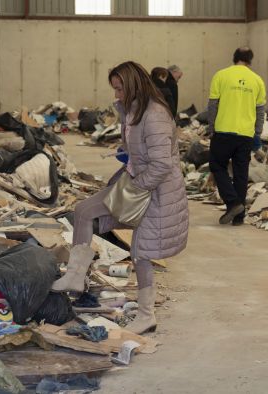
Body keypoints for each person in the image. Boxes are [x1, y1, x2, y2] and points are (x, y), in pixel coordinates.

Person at [51, 61, 189, 334]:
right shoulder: (133, 110)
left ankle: (146, 314)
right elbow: (141, 149)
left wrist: (136, 188)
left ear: (133, 84)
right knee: (84, 211)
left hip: (158, 192)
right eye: (114, 89)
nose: (115, 94)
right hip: (138, 183)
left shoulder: (155, 114)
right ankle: (75, 277)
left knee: (142, 253)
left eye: (118, 89)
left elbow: (162, 164)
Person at [207, 47, 266, 225]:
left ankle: (233, 203)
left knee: (217, 166)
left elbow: (213, 105)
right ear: (250, 60)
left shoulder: (221, 75)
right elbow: (260, 110)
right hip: (246, 134)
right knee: (241, 173)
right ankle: (239, 217)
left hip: (223, 131)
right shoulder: (257, 80)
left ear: (234, 58)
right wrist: (257, 133)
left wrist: (212, 128)